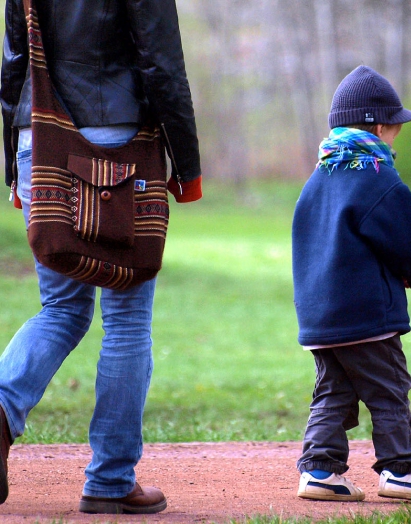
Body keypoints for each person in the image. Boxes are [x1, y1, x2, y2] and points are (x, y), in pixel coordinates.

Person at [0, 0, 201, 514]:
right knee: (128, 322)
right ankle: (111, 481)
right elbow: (162, 65)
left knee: (61, 310)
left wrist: (14, 166)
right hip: (119, 141)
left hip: (39, 139)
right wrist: (188, 162)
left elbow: (13, 66)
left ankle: (0, 407)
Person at [292, 65, 411, 502]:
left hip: (320, 316)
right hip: (367, 315)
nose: (397, 133)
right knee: (389, 388)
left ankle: (320, 472)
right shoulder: (378, 178)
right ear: (379, 126)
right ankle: (401, 473)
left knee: (334, 391)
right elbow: (408, 243)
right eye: (396, 125)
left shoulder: (317, 179)